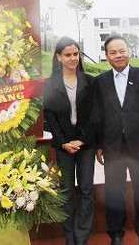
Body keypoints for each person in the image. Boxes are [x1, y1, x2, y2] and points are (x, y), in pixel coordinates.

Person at [94, 34, 139, 245]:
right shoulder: (100, 82)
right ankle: (115, 234)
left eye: (122, 51)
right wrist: (98, 146)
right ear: (106, 56)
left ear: (129, 51)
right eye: (113, 52)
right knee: (114, 192)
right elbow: (97, 115)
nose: (118, 55)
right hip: (112, 145)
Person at [43, 37, 96, 245]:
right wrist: (64, 142)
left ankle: (82, 237)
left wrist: (81, 140)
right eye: (68, 55)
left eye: (76, 54)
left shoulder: (90, 81)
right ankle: (70, 238)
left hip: (86, 145)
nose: (73, 58)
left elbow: (95, 115)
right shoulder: (50, 83)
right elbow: (51, 116)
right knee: (65, 190)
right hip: (63, 146)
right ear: (58, 57)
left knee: (86, 190)